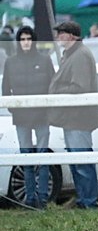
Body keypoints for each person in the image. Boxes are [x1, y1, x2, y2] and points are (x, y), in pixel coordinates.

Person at [49, 21, 98, 209]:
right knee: (76, 161)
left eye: (61, 33)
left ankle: (89, 201)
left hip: (79, 118)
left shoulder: (80, 55)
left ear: (71, 35)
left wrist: (56, 90)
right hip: (72, 118)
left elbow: (80, 86)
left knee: (82, 161)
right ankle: (83, 199)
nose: (57, 37)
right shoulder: (71, 54)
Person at [2, 26, 55, 208]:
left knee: (43, 157)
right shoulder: (11, 62)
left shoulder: (45, 60)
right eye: (23, 39)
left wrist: (47, 109)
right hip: (21, 118)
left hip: (42, 116)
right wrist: (13, 110)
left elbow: (52, 85)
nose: (26, 42)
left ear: (33, 40)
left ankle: (42, 199)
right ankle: (30, 199)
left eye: (28, 38)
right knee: (26, 158)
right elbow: (5, 89)